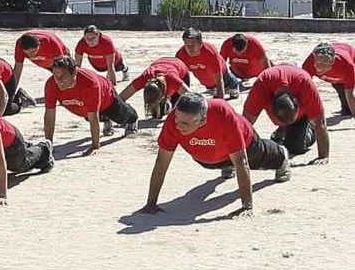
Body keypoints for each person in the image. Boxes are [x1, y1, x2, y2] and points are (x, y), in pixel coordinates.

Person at [139, 92, 290, 219]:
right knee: (210, 162)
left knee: (259, 158)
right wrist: (151, 203)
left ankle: (281, 154)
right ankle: (226, 165)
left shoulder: (223, 113)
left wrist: (247, 206)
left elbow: (241, 162)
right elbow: (162, 163)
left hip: (245, 144)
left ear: (203, 119)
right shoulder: (174, 121)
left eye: (185, 123)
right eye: (177, 119)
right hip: (211, 155)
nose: (177, 125)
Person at [43, 55, 140, 155]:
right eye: (56, 75)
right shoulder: (51, 84)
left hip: (106, 97)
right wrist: (49, 144)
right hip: (83, 106)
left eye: (63, 76)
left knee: (121, 117)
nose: (59, 80)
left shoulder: (89, 83)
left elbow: (94, 117)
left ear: (74, 73)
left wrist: (95, 146)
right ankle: (105, 119)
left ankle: (133, 119)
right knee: (89, 116)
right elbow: (50, 114)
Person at [243, 65, 329, 163]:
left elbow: (320, 123)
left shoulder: (304, 84)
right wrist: (243, 153)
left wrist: (323, 156)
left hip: (302, 114)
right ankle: (282, 130)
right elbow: (245, 124)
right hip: (282, 107)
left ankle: (310, 129)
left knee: (295, 148)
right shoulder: (261, 86)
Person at [176, 27, 240, 100]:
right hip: (203, 76)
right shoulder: (181, 55)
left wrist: (220, 100)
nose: (189, 49)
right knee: (209, 84)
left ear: (200, 44)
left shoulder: (210, 52)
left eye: (193, 45)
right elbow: (179, 79)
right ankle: (215, 89)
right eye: (186, 45)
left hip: (221, 73)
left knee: (226, 81)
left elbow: (219, 79)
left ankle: (234, 85)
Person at [119, 57, 191, 120]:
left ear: (162, 96)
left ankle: (168, 104)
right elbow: (121, 97)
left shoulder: (172, 79)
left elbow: (191, 96)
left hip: (179, 67)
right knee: (157, 115)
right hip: (161, 62)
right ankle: (164, 106)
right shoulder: (144, 78)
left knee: (180, 109)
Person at [301, 42, 355, 116]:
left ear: (332, 61)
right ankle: (346, 108)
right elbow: (303, 90)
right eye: (317, 62)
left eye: (324, 63)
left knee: (344, 88)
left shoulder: (347, 65)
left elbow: (350, 95)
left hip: (348, 54)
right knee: (337, 85)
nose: (319, 67)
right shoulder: (309, 64)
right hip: (334, 75)